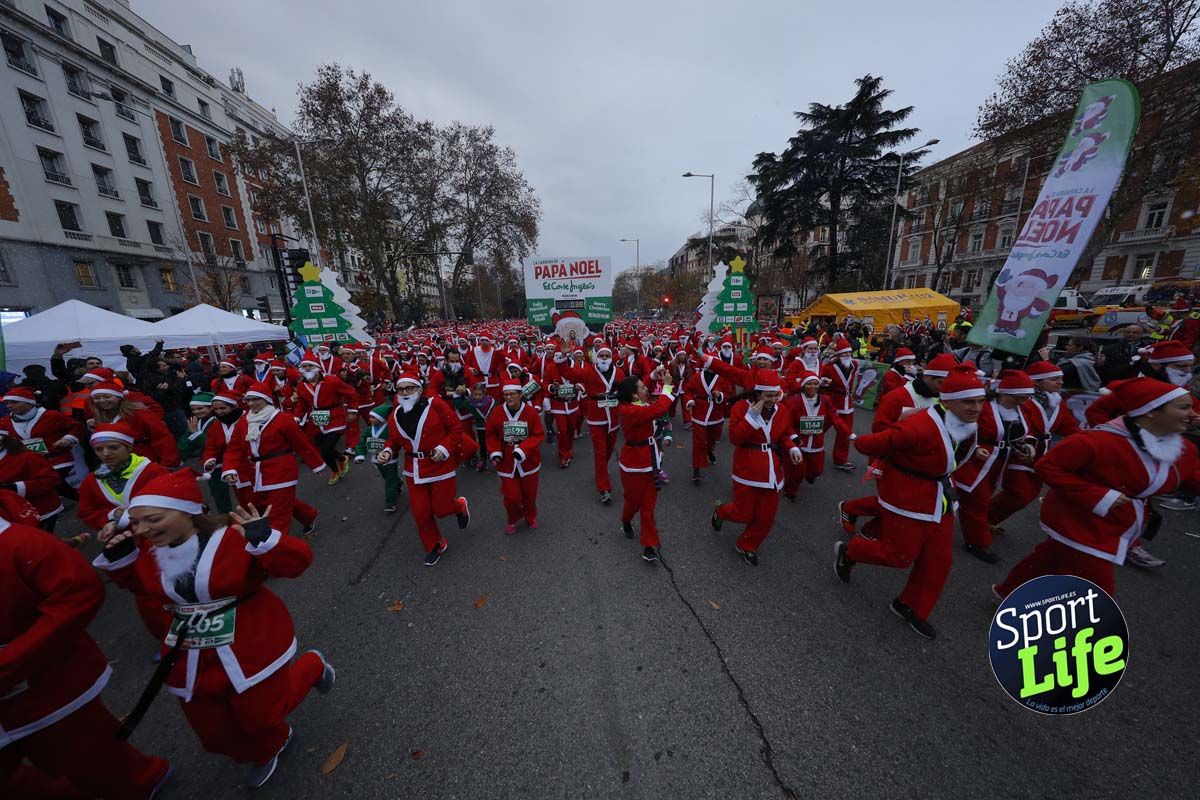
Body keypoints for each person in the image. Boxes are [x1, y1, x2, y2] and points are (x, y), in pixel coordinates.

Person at [93, 471, 336, 789]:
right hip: (188, 654)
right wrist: (118, 556)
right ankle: (267, 744)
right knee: (213, 734)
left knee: (262, 715)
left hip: (248, 641)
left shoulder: (232, 537)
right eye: (135, 523)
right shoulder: (151, 551)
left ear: (187, 510)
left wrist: (264, 539)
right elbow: (144, 589)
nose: (142, 530)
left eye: (152, 519)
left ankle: (311, 668)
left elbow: (296, 565)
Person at [0, 507, 173, 800]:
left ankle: (141, 783)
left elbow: (80, 592)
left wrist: (11, 660)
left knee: (90, 757)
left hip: (47, 689)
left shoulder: (18, 543)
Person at [995, 377, 1200, 599]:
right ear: (1150, 411)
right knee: (1097, 591)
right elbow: (1048, 467)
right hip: (1081, 521)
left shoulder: (1184, 450)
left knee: (1050, 558)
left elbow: (1191, 478)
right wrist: (1099, 495)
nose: (1194, 414)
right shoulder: (1098, 441)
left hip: (1119, 522)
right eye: (1184, 407)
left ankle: (1008, 592)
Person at [834, 365, 987, 640]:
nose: (976, 408)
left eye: (979, 400)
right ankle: (851, 551)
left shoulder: (966, 422)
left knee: (938, 560)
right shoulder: (919, 426)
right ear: (948, 399)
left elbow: (953, 452)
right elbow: (869, 443)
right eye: (968, 401)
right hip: (911, 496)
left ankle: (910, 605)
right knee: (898, 556)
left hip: (941, 496)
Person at [376, 370, 472, 566]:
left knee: (442, 508)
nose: (404, 392)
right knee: (421, 513)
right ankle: (435, 544)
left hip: (440, 464)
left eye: (409, 388)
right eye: (400, 389)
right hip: (414, 469)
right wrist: (387, 451)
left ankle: (460, 506)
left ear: (419, 389)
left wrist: (444, 447)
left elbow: (455, 429)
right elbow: (393, 440)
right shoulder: (395, 414)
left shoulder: (435, 404)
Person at [709, 369, 804, 566]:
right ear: (757, 393)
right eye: (767, 396)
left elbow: (783, 434)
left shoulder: (781, 410)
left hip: (772, 471)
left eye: (775, 395)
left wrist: (792, 447)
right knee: (742, 513)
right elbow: (735, 438)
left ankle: (747, 545)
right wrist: (751, 418)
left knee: (766, 517)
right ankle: (721, 512)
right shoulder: (741, 409)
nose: (772, 400)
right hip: (747, 469)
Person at [987, 360, 1080, 534]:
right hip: (1020, 452)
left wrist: (1088, 438)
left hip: (1042, 456)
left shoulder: (1058, 402)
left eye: (1060, 378)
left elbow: (1069, 426)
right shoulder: (1023, 401)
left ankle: (989, 518)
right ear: (1037, 381)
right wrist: (1025, 443)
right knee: (1019, 493)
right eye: (1054, 379)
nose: (1060, 382)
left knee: (1030, 495)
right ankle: (984, 517)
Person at [223, 383, 326, 537]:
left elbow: (301, 443)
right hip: (257, 472)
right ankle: (308, 515)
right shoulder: (244, 421)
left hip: (281, 469)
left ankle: (275, 543)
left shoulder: (283, 419)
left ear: (266, 400)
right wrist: (229, 468)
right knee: (275, 502)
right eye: (249, 400)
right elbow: (235, 447)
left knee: (278, 512)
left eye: (255, 399)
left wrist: (316, 465)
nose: (251, 404)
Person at [953, 370, 1033, 564]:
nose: (1024, 400)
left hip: (998, 463)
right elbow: (960, 428)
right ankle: (977, 542)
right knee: (976, 501)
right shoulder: (984, 407)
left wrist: (1027, 445)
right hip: (975, 463)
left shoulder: (1021, 410)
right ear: (1006, 393)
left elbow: (1025, 433)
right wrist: (975, 448)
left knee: (979, 499)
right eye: (1020, 396)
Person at [616, 369, 676, 562]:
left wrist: (653, 375)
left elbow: (648, 394)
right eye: (642, 388)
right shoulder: (630, 410)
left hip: (650, 461)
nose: (646, 389)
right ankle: (625, 520)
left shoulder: (637, 402)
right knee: (633, 503)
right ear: (634, 394)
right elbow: (658, 409)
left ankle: (649, 545)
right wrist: (666, 386)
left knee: (648, 507)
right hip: (633, 464)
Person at [556, 344, 627, 504]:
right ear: (596, 357)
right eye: (601, 356)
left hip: (613, 418)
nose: (603, 358)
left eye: (606, 356)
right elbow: (568, 373)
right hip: (596, 417)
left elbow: (626, 390)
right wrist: (562, 357)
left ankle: (601, 470)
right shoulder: (588, 370)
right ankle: (604, 488)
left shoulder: (619, 373)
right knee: (600, 452)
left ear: (610, 358)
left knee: (608, 450)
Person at [0, 385, 85, 499]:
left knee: (54, 484)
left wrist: (68, 438)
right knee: (45, 487)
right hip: (32, 464)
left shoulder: (51, 415)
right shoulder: (5, 422)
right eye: (7, 403)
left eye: (14, 402)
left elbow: (76, 427)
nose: (9, 406)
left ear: (29, 402)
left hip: (56, 459)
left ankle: (87, 502)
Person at [485, 379, 546, 535]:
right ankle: (513, 518)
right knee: (511, 497)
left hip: (529, 460)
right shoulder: (497, 412)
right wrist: (495, 451)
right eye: (506, 394)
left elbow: (538, 434)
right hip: (506, 460)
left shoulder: (531, 412)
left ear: (520, 394)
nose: (509, 397)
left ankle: (530, 516)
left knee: (530, 495)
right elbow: (491, 434)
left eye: (512, 394)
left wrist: (524, 449)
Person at [781, 371, 850, 498]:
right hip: (799, 442)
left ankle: (809, 474)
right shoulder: (794, 401)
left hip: (817, 443)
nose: (812, 387)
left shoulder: (825, 399)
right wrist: (794, 438)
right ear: (802, 386)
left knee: (817, 470)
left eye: (815, 384)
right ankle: (790, 491)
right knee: (795, 471)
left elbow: (835, 418)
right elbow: (786, 423)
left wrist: (848, 433)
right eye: (809, 384)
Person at [292, 353, 358, 485]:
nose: (307, 368)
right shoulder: (301, 386)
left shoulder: (332, 381)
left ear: (317, 367)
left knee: (326, 449)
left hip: (335, 416)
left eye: (310, 365)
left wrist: (352, 410)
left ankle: (338, 465)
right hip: (317, 420)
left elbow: (351, 393)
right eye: (304, 366)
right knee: (324, 450)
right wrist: (297, 417)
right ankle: (336, 467)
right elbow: (302, 404)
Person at [88, 381, 180, 467]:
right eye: (97, 398)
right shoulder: (100, 418)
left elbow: (162, 437)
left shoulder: (139, 413)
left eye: (107, 396)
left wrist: (168, 463)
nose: (102, 400)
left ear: (119, 397)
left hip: (145, 461)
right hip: (118, 465)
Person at [682, 357, 734, 486]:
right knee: (698, 443)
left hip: (716, 414)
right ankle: (696, 470)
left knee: (712, 439)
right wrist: (690, 400)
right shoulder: (697, 376)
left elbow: (729, 393)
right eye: (708, 364)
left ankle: (710, 451)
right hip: (699, 413)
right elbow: (687, 390)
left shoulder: (723, 378)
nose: (711, 366)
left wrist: (720, 395)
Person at [0, 429, 64, 530]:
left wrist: (15, 488)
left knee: (41, 544)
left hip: (40, 510)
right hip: (11, 515)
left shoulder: (27, 456)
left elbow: (51, 479)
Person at [820, 337, 859, 471]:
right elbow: (819, 382)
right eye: (844, 353)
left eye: (849, 353)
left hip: (847, 405)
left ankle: (840, 459)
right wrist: (823, 382)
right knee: (819, 429)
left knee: (844, 434)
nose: (847, 356)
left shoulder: (854, 365)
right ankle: (808, 450)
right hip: (831, 403)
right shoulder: (828, 368)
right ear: (838, 355)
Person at [355, 402, 402, 513]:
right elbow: (362, 442)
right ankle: (398, 483)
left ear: (381, 419)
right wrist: (360, 455)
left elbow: (395, 441)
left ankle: (390, 503)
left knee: (389, 480)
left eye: (373, 417)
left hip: (390, 459)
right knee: (387, 477)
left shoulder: (389, 429)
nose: (370, 419)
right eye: (370, 417)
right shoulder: (368, 430)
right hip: (376, 459)